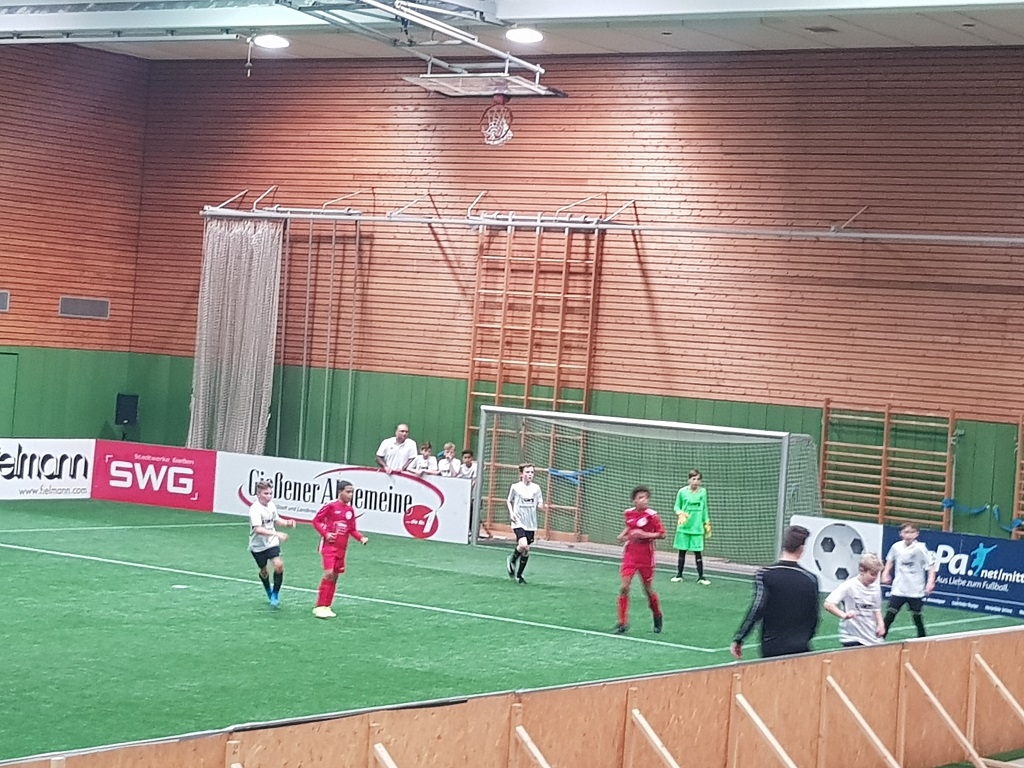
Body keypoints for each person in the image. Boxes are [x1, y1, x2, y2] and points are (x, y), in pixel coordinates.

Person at [731, 525, 819, 659]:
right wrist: (804, 638)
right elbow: (814, 615)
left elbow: (757, 609)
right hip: (800, 646)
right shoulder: (811, 579)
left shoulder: (765, 574)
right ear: (802, 549)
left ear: (784, 546)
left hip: (772, 645)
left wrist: (740, 638)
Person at [311, 480, 368, 619]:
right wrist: (326, 534)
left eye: (352, 492)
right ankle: (319, 606)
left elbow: (351, 529)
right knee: (329, 574)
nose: (350, 495)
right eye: (348, 492)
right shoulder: (330, 506)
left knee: (335, 576)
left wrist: (361, 538)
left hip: (342, 548)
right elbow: (316, 521)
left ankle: (327, 606)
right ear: (340, 492)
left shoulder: (350, 510)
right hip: (329, 546)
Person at [614, 486, 665, 634]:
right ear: (634, 500)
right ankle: (622, 622)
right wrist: (623, 535)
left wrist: (644, 535)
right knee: (624, 587)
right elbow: (629, 527)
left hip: (646, 557)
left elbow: (662, 534)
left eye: (646, 498)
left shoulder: (652, 516)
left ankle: (657, 615)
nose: (644, 500)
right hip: (630, 555)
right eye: (640, 498)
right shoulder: (629, 513)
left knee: (647, 589)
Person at [881, 522, 937, 638]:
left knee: (917, 616)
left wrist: (930, 582)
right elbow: (890, 560)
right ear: (901, 534)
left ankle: (922, 639)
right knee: (890, 613)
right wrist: (885, 573)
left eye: (912, 532)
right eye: (906, 532)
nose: (909, 535)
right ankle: (880, 638)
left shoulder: (920, 548)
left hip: (915, 588)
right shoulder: (896, 547)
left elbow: (931, 565)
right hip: (899, 588)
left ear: (917, 534)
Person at [248, 480, 296, 607]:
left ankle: (275, 594)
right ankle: (268, 590)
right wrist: (276, 534)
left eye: (270, 493)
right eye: (266, 493)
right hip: (257, 546)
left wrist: (287, 523)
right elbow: (258, 529)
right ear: (258, 494)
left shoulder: (271, 505)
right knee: (264, 571)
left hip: (271, 543)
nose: (269, 496)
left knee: (279, 565)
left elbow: (276, 520)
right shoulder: (255, 509)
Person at [823, 552, 886, 647]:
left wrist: (881, 625)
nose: (875, 578)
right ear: (862, 571)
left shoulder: (875, 588)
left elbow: (876, 609)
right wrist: (844, 615)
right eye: (872, 574)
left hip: (871, 636)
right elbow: (828, 604)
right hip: (851, 637)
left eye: (877, 574)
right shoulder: (848, 586)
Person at [671, 469, 712, 585]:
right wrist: (680, 513)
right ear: (689, 480)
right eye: (693, 479)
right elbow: (676, 506)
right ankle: (679, 575)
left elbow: (704, 508)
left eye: (698, 479)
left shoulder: (703, 492)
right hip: (684, 527)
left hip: (697, 527)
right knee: (682, 551)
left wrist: (706, 522)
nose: (695, 481)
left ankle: (701, 577)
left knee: (698, 552)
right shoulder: (682, 492)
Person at [506, 463, 545, 584]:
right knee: (524, 545)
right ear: (521, 474)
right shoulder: (515, 487)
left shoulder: (536, 488)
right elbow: (509, 501)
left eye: (532, 472)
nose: (530, 475)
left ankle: (519, 575)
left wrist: (542, 506)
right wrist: (511, 513)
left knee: (526, 550)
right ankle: (512, 560)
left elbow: (539, 502)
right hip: (518, 521)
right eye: (527, 472)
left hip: (531, 523)